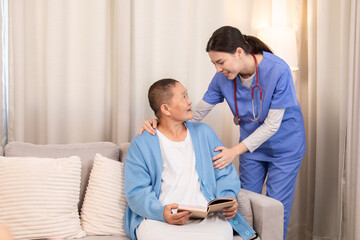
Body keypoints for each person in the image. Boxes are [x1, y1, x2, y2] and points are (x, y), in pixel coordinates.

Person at [139, 26, 306, 240]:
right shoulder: (223, 78)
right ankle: (248, 236)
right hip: (250, 148)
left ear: (238, 52)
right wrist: (162, 120)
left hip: (285, 146)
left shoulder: (278, 70)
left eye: (220, 62)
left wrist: (233, 152)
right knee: (246, 203)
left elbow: (272, 125)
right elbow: (197, 112)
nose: (218, 69)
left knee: (275, 207)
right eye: (214, 64)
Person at [124, 78, 257, 240]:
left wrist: (227, 199)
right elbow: (137, 191)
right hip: (160, 219)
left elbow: (225, 174)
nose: (190, 101)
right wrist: (161, 213)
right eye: (184, 97)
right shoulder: (142, 142)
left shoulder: (204, 133)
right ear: (166, 109)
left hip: (208, 219)